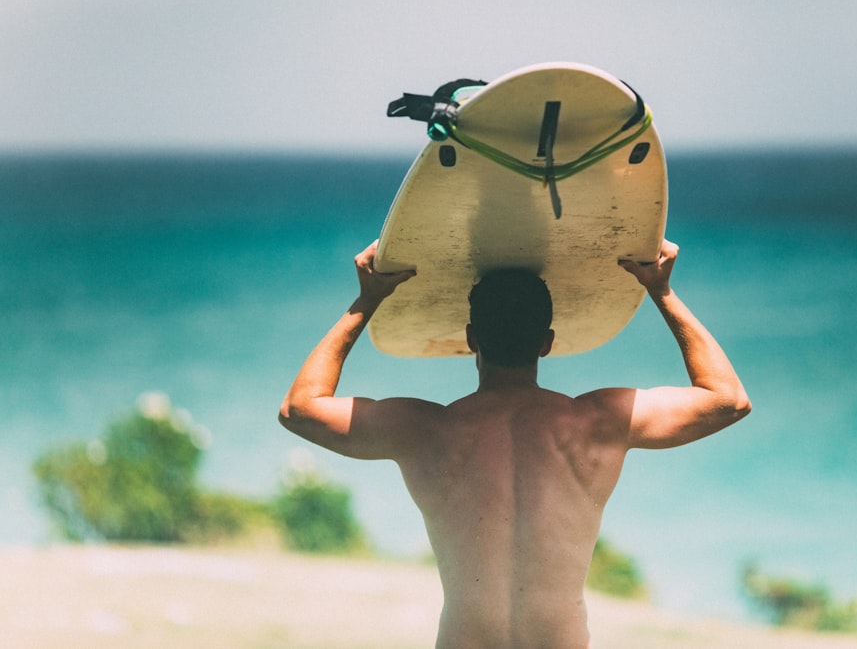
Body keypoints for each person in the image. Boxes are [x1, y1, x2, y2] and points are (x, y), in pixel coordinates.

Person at [279, 237, 750, 649]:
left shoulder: (426, 430)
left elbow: (300, 409)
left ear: (470, 339)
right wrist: (660, 290)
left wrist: (368, 299)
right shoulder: (597, 422)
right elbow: (727, 399)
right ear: (546, 342)